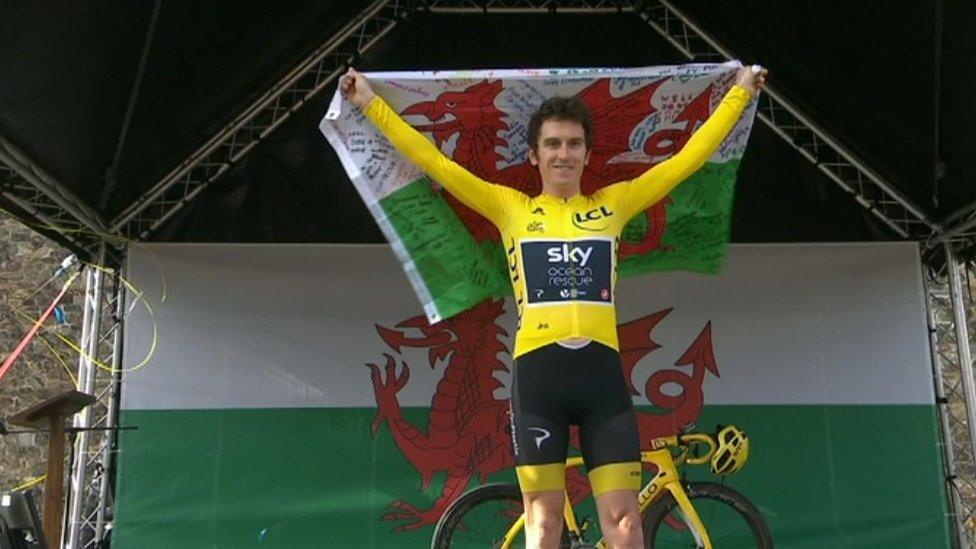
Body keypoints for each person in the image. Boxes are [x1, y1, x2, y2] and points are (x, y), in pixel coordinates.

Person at [342, 64, 767, 549]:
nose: (562, 153)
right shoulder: (509, 207)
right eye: (552, 144)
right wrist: (369, 103)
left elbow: (687, 160)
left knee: (626, 522)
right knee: (543, 526)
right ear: (533, 154)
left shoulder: (616, 203)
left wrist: (738, 95)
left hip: (601, 380)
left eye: (572, 144)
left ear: (587, 154)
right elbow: (435, 163)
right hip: (538, 379)